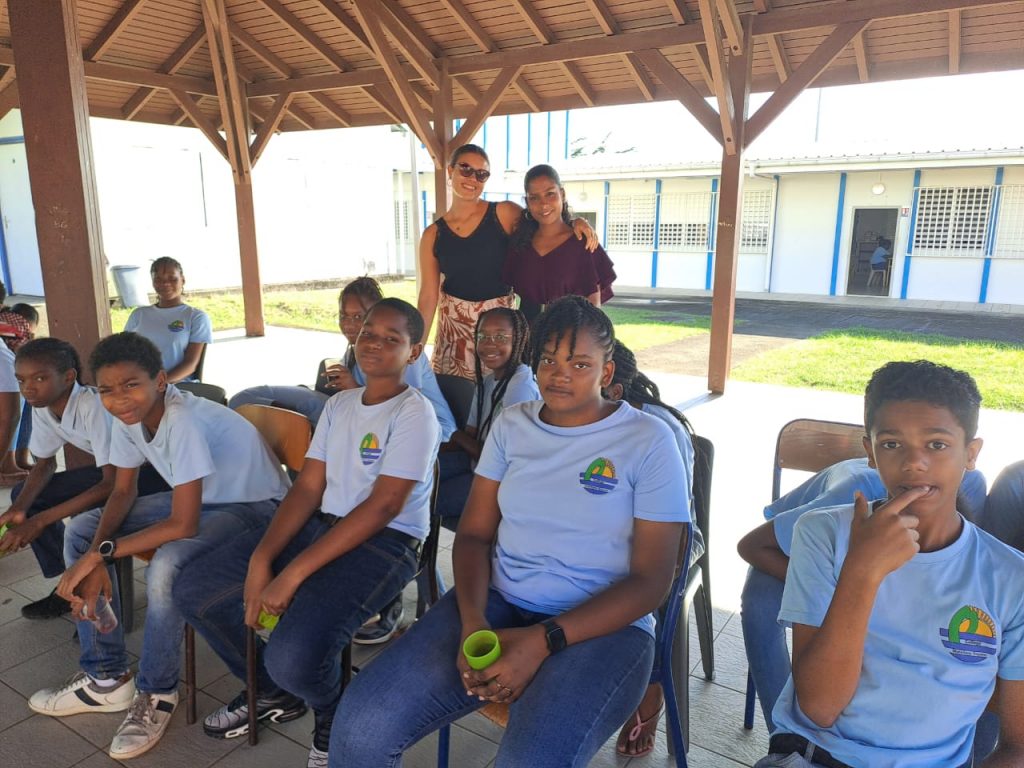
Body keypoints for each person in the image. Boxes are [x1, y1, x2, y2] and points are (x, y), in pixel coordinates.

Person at [330, 296, 691, 768]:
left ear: (606, 372)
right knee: (360, 727)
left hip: (606, 627)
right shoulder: (512, 424)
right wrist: (473, 620)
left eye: (580, 364)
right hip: (498, 603)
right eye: (549, 360)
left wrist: (543, 639)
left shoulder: (648, 439)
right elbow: (474, 536)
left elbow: (651, 581)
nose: (560, 375)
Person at [174, 298, 441, 768]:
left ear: (414, 352)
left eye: (391, 338)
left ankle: (333, 713)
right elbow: (308, 487)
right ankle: (272, 691)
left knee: (294, 657)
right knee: (195, 590)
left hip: (387, 543)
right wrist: (262, 561)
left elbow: (383, 506)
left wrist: (291, 574)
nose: (374, 343)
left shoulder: (414, 412)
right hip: (324, 525)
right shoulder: (339, 405)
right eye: (368, 332)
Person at [28, 332, 289, 760]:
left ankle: (157, 692)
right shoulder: (127, 417)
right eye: (107, 390)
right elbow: (121, 491)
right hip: (207, 500)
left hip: (255, 505)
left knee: (166, 564)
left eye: (131, 384)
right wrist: (96, 551)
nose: (119, 399)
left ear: (161, 381)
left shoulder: (181, 418)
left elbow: (183, 524)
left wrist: (100, 555)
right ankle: (107, 677)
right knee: (83, 529)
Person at [755, 361, 1024, 768]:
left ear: (971, 454)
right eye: (892, 444)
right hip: (818, 757)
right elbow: (819, 708)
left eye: (936, 445)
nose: (914, 463)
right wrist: (863, 570)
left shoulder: (1010, 577)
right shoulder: (825, 534)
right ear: (870, 452)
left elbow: (1017, 746)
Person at [737, 457, 987, 731]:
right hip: (782, 545)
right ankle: (783, 733)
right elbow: (751, 546)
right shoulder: (844, 508)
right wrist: (840, 588)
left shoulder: (970, 485)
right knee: (759, 604)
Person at [0, 339, 168, 619]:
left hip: (153, 475)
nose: (28, 388)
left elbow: (112, 484)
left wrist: (39, 521)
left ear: (68, 377)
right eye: (21, 380)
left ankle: (85, 586)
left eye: (39, 378)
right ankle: (69, 581)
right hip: (119, 474)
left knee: (86, 517)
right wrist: (19, 510)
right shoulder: (42, 406)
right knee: (24, 496)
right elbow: (45, 464)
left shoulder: (94, 406)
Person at [417, 145, 597, 379]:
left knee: (502, 394)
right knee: (455, 398)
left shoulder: (503, 213)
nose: (473, 179)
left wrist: (574, 223)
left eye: (481, 174)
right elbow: (428, 297)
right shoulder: (432, 235)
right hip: (454, 335)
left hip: (500, 330)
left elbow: (545, 222)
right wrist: (415, 349)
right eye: (466, 169)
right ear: (451, 171)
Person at [605, 340, 699, 757]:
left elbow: (675, 522)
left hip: (673, 533)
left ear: (613, 385)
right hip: (613, 530)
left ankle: (652, 690)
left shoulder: (660, 429)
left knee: (651, 580)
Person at [228, 277, 455, 440]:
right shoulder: (354, 351)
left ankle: (292, 422)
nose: (349, 324)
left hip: (428, 433)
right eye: (344, 315)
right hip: (363, 418)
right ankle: (287, 417)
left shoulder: (402, 354)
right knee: (245, 399)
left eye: (359, 317)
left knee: (318, 424)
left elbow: (403, 409)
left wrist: (353, 387)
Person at [437, 306, 538, 530]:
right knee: (420, 472)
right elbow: (470, 435)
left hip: (499, 480)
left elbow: (501, 459)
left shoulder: (520, 385)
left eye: (500, 337)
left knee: (427, 497)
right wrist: (431, 447)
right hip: (475, 462)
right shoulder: (488, 382)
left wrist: (455, 434)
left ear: (518, 340)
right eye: (482, 336)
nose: (489, 344)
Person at [503, 165, 616, 326]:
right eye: (534, 197)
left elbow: (593, 305)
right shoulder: (521, 245)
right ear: (527, 202)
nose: (543, 204)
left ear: (562, 194)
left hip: (569, 334)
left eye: (550, 194)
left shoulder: (583, 243)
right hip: (527, 335)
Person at [124, 257, 212, 383]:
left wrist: (159, 383)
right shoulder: (138, 315)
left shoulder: (195, 317)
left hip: (178, 387)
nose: (165, 283)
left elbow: (191, 364)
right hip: (142, 386)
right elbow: (125, 355)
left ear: (183, 280)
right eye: (158, 279)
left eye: (172, 279)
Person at [1, 303, 41, 471]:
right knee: (19, 403)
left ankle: (17, 460)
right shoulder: (18, 327)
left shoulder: (7, 322)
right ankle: (11, 462)